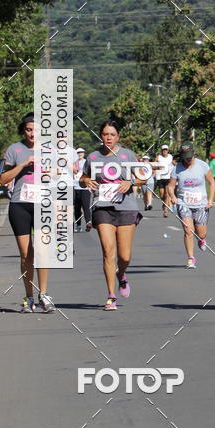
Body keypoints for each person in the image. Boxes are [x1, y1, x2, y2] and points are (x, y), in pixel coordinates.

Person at [80, 121, 143, 310]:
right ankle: (111, 295)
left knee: (124, 256)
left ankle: (121, 275)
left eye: (112, 134)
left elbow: (143, 176)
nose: (108, 138)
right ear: (100, 136)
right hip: (102, 207)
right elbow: (83, 178)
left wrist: (130, 182)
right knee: (108, 251)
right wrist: (86, 182)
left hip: (126, 207)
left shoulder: (127, 155)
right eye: (105, 134)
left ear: (118, 137)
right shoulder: (93, 157)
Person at [0, 113, 55, 313]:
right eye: (29, 130)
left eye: (36, 130)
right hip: (20, 205)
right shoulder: (14, 149)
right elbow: (2, 179)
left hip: (43, 204)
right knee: (26, 255)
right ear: (23, 130)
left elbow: (63, 175)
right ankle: (29, 296)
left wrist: (51, 174)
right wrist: (22, 165)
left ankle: (44, 295)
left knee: (42, 251)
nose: (32, 134)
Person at [166, 141, 215, 269]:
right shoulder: (177, 169)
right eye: (185, 157)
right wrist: (173, 197)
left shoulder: (203, 166)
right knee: (188, 231)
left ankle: (201, 239)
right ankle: (191, 258)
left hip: (201, 204)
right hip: (184, 203)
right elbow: (170, 186)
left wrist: (210, 199)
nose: (187, 160)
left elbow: (212, 182)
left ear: (194, 154)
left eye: (190, 157)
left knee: (201, 233)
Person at [73, 147, 92, 231]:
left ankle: (88, 222)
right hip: (75, 187)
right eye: (78, 152)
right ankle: (78, 225)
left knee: (86, 206)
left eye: (81, 152)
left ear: (84, 153)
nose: (80, 154)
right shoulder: (73, 163)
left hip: (85, 188)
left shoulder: (86, 162)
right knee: (77, 208)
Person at [154, 144, 173, 218]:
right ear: (161, 151)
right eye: (163, 150)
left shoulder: (171, 157)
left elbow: (174, 163)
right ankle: (164, 203)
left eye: (166, 149)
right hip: (160, 177)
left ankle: (165, 211)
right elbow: (153, 165)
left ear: (168, 150)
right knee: (162, 195)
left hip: (168, 177)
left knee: (167, 194)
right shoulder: (158, 157)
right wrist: (158, 167)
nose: (165, 151)